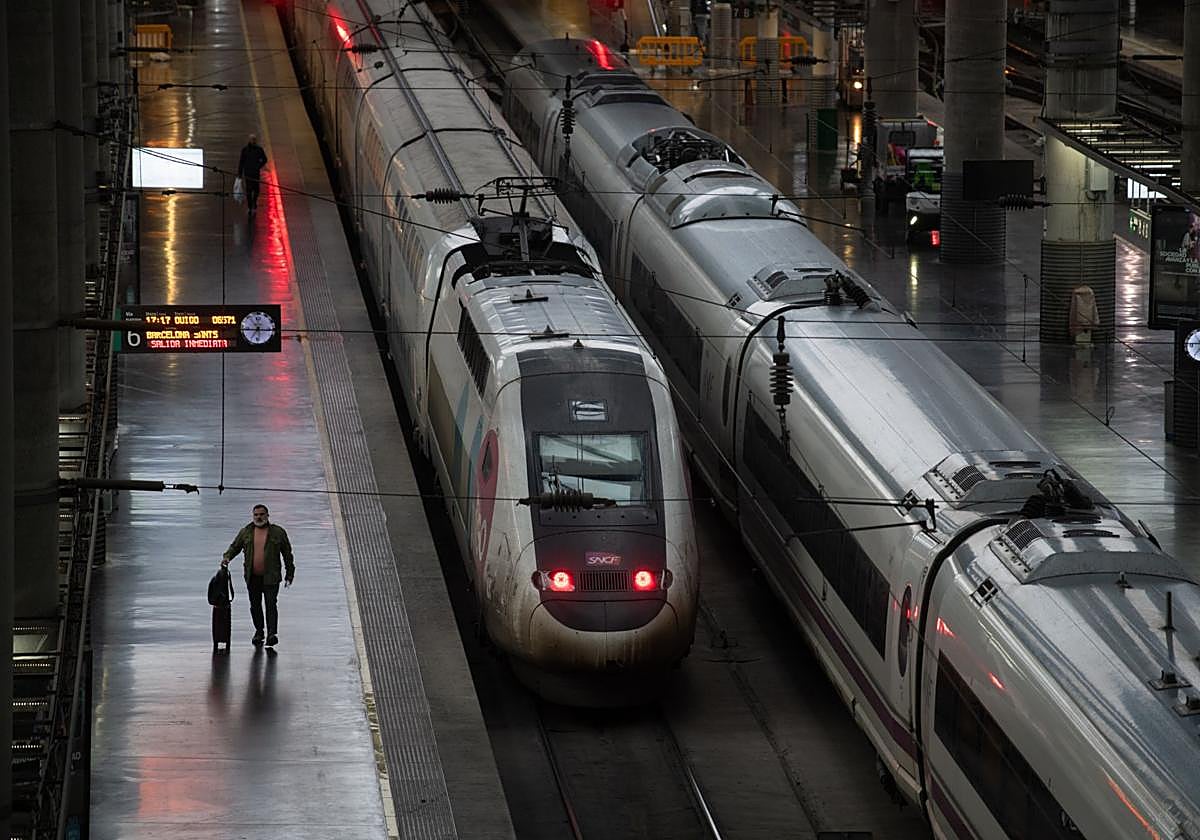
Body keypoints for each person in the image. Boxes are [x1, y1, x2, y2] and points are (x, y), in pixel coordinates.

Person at [222, 504, 295, 647]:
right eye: (256, 515)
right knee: (255, 606)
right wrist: (227, 558)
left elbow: (287, 554)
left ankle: (272, 634)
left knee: (270, 604)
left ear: (267, 515)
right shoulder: (246, 532)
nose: (259, 517)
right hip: (252, 577)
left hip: (271, 577)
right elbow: (235, 547)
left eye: (261, 514)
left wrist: (290, 574)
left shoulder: (278, 532)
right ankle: (259, 631)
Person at [237, 134, 269, 214]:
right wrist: (240, 173)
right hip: (248, 173)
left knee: (256, 190)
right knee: (249, 190)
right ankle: (250, 206)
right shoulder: (245, 150)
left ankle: (254, 202)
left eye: (254, 139)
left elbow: (265, 159)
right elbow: (241, 162)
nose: (253, 141)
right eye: (252, 139)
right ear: (249, 140)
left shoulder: (259, 149)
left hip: (254, 173)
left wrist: (258, 166)